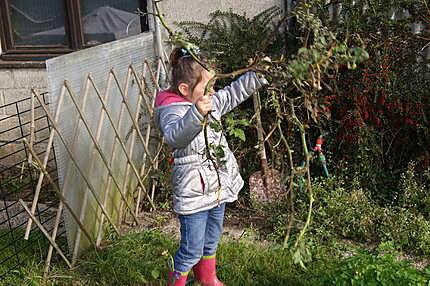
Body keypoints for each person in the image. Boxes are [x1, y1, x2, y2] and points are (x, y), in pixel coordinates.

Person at [155, 47, 267, 286]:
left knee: (211, 239)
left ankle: (208, 279)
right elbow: (175, 137)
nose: (212, 92)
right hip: (194, 194)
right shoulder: (172, 110)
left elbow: (232, 94)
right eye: (206, 87)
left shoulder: (206, 101)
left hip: (216, 189)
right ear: (185, 90)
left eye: (212, 85)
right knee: (191, 249)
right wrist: (195, 114)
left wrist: (257, 74)